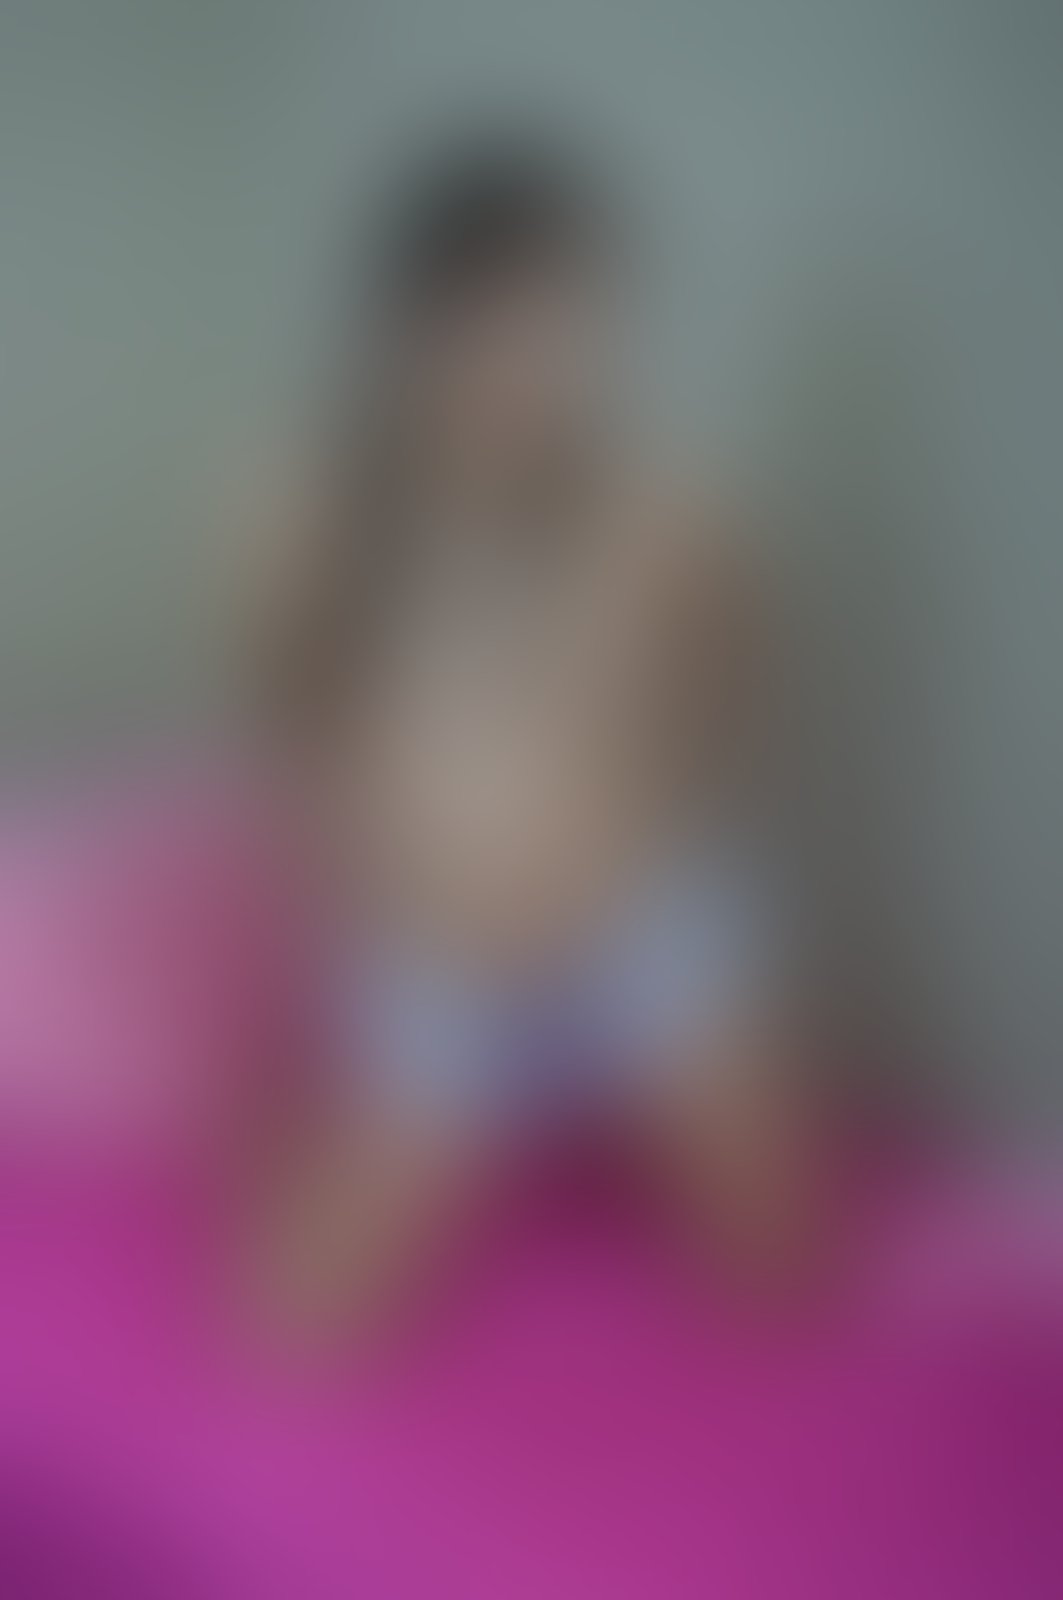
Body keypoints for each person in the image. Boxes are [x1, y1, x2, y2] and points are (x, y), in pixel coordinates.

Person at [238, 141, 817, 1349]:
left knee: (782, 1254)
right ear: (413, 333)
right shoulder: (317, 517)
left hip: (635, 923)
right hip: (439, 951)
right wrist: (380, 880)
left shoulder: (662, 515)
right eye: (497, 326)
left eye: (568, 328)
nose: (535, 365)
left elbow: (732, 683)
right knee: (300, 1321)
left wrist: (636, 818)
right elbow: (295, 729)